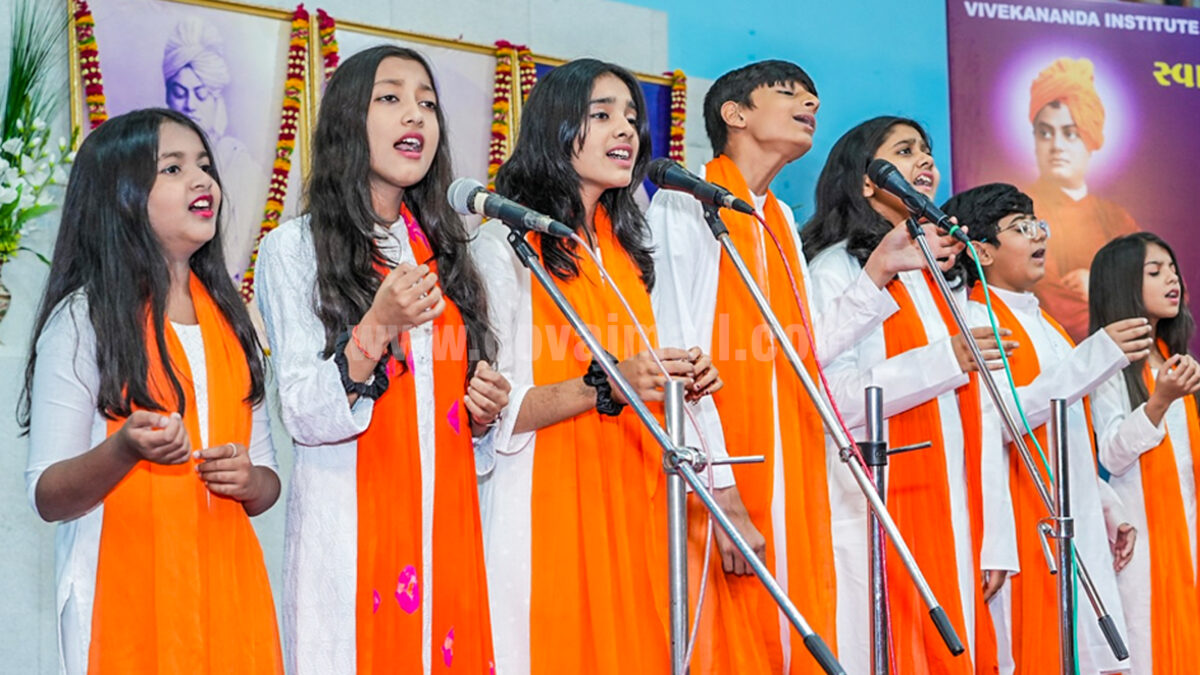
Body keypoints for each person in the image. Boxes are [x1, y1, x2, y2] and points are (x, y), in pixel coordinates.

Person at [646, 60, 959, 673]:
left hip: (790, 462)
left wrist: (880, 270)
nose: (810, 103)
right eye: (788, 92)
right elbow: (679, 354)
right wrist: (722, 493)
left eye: (813, 96)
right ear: (735, 114)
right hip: (722, 474)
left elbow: (801, 351)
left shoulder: (777, 219)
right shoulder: (683, 204)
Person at [255, 46, 505, 674]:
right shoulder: (294, 250)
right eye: (390, 98)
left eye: (427, 103)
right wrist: (377, 325)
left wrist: (482, 413)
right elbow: (304, 414)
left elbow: (450, 419)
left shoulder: (447, 254)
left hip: (444, 535)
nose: (414, 115)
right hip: (350, 538)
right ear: (348, 120)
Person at [471, 58, 722, 675]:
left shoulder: (626, 252)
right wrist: (605, 385)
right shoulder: (504, 246)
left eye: (632, 118)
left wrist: (677, 379)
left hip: (635, 501)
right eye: (602, 115)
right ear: (556, 128)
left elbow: (635, 375)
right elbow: (495, 415)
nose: (626, 130)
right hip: (545, 510)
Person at [20, 108, 282, 673]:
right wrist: (124, 449)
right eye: (173, 168)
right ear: (121, 198)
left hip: (229, 597)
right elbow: (48, 494)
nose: (202, 180)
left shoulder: (233, 322)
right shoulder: (83, 320)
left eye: (204, 165)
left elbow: (266, 481)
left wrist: (248, 479)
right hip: (122, 599)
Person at [804, 117, 1014, 674]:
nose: (925, 160)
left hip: (957, 516)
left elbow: (982, 418)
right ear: (867, 180)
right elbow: (832, 400)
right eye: (904, 151)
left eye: (926, 150)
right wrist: (945, 361)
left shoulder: (943, 279)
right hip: (878, 510)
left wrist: (994, 537)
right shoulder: (838, 270)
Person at [944, 182, 1149, 674]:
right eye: (1020, 228)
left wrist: (1106, 506)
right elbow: (1003, 420)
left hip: (1074, 521)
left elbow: (1068, 438)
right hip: (1023, 522)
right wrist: (1096, 356)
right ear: (983, 252)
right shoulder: (976, 320)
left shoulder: (1049, 324)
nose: (1039, 235)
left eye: (1037, 224)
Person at [1090, 232, 1200, 675]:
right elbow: (1112, 456)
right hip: (1144, 543)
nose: (1172, 279)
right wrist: (1160, 401)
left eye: (1172, 269)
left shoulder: (1176, 358)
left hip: (1189, 532)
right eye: (1155, 272)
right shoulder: (1106, 365)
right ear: (1122, 285)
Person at [1024, 56, 1139, 342]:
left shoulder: (1115, 217)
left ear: (1090, 139)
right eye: (1045, 133)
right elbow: (1052, 304)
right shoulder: (1022, 212)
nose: (1057, 146)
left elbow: (1167, 293)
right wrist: (1126, 302)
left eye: (1070, 134)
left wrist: (1097, 285)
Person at [163, 16, 266, 282]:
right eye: (180, 93)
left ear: (216, 99)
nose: (190, 105)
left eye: (200, 94)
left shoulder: (237, 160)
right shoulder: (153, 163)